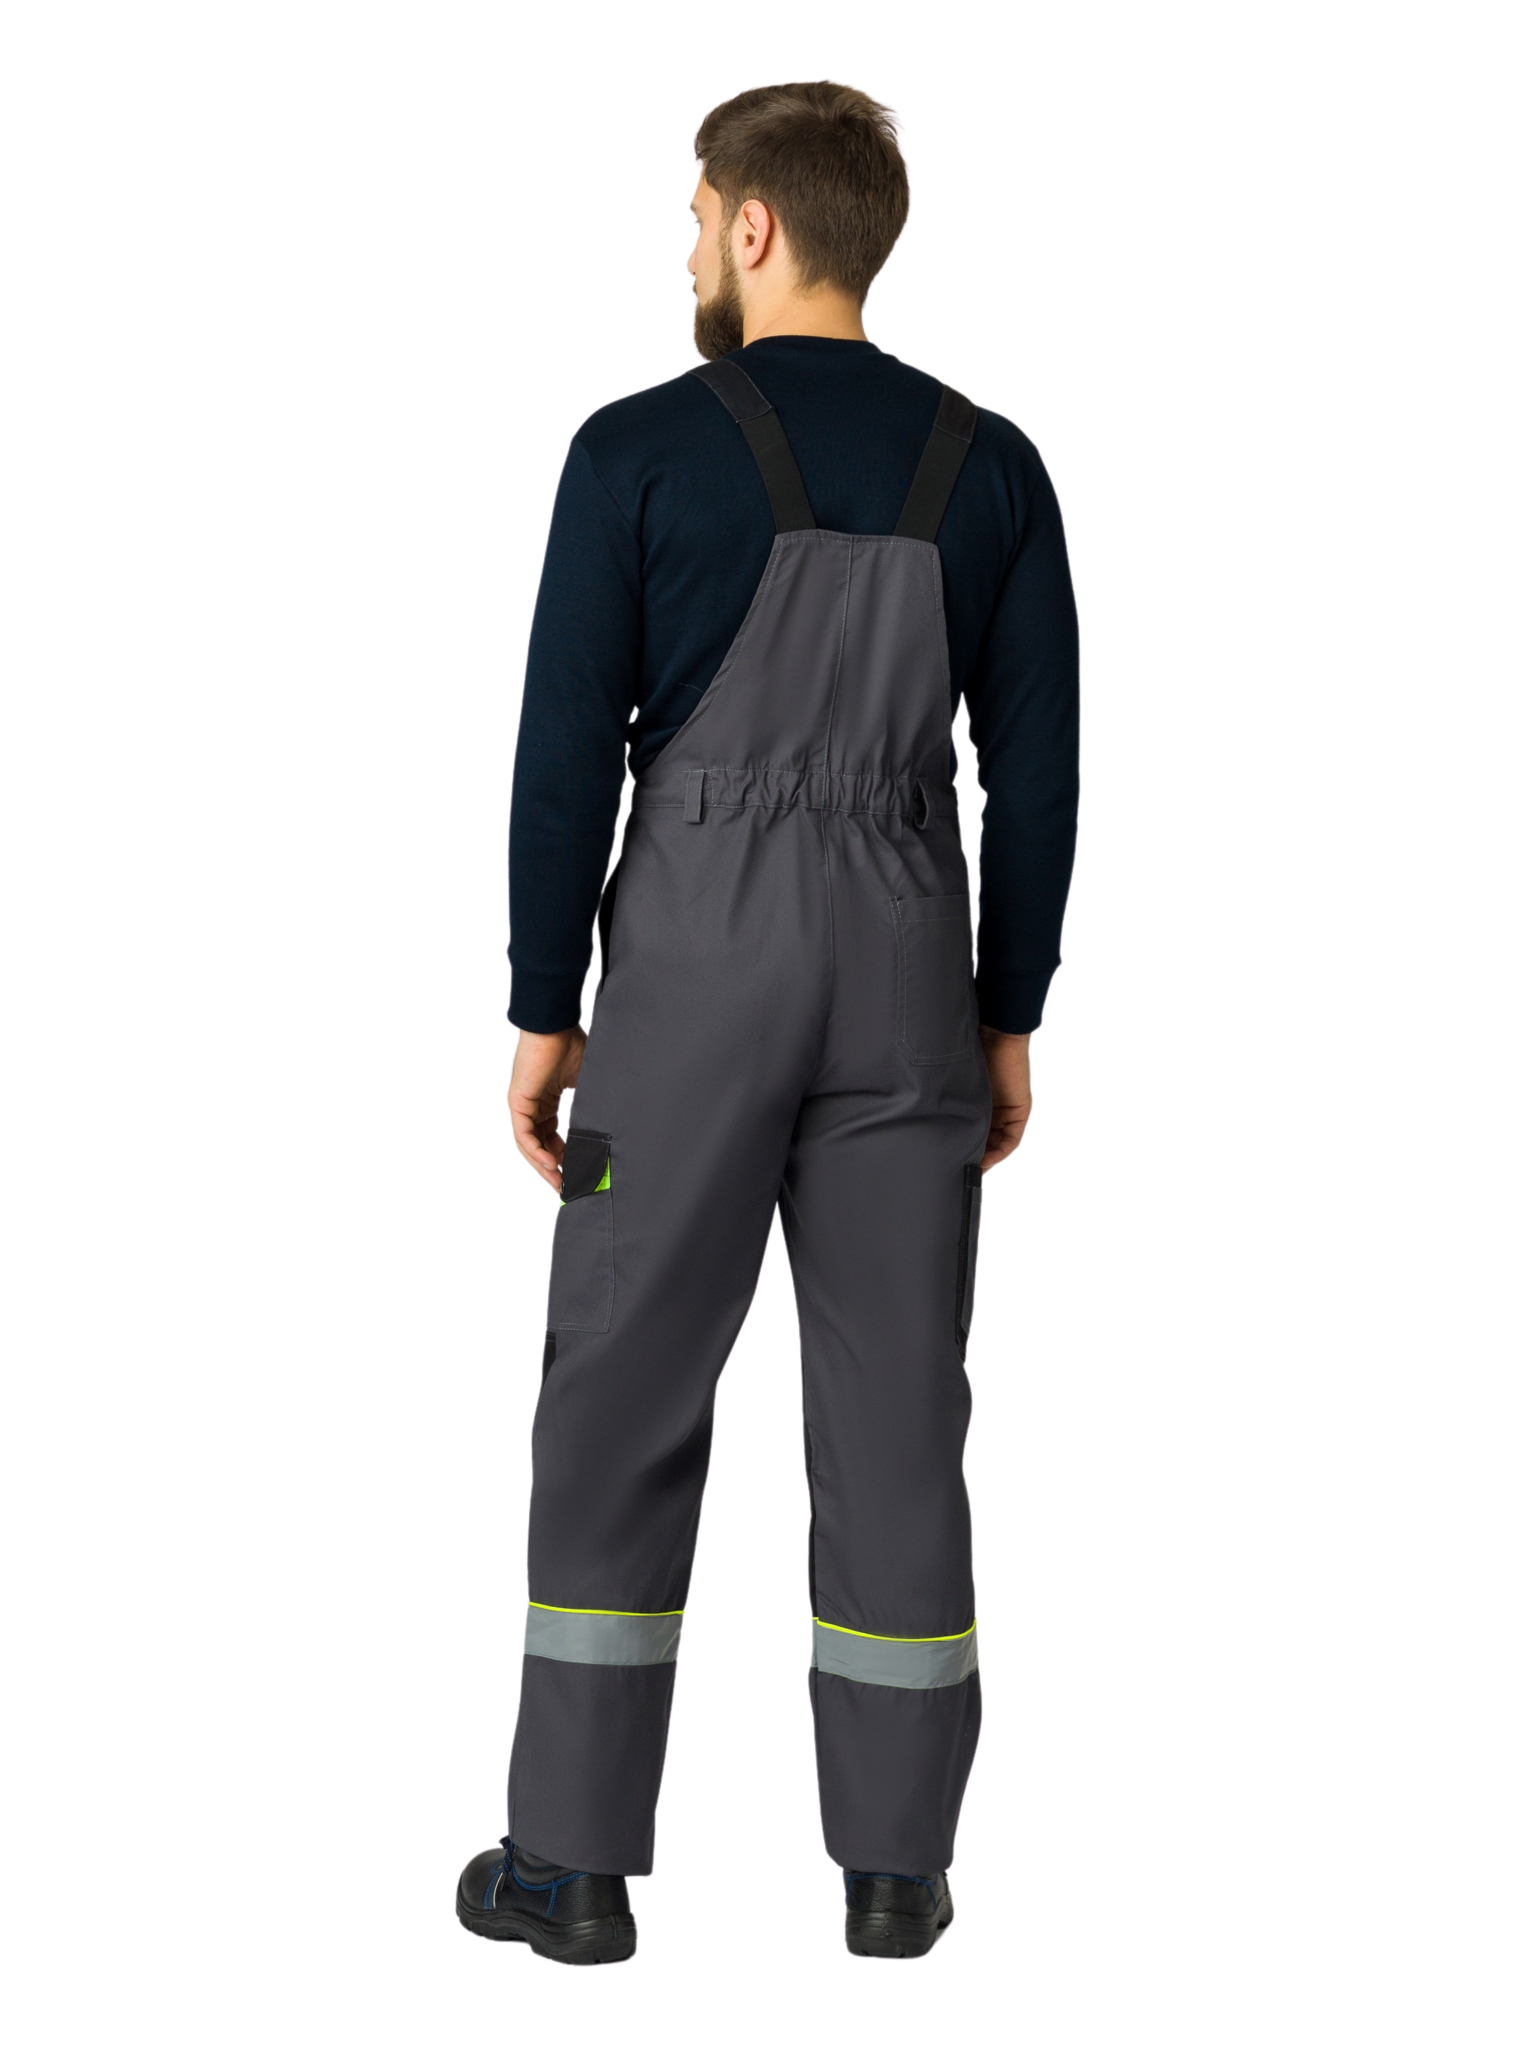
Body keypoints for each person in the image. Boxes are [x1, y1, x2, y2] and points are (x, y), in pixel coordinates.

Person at [454, 77, 1080, 1968]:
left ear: (750, 225)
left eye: (692, 215)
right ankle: (897, 1876)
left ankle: (572, 1867)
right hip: (908, 960)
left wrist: (542, 1011)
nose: (687, 249)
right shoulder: (997, 465)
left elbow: (562, 761)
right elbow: (1038, 783)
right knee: (901, 1407)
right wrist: (1009, 1018)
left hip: (694, 967)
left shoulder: (633, 447)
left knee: (623, 1390)